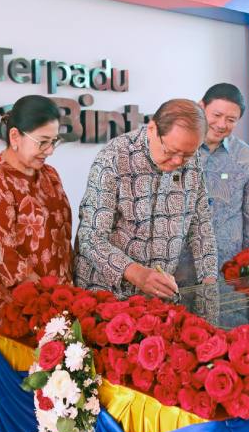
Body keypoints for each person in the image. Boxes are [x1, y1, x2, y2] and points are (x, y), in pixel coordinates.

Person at [0, 95, 73, 432]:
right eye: (42, 142)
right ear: (15, 136)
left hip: (57, 301)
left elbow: (62, 239)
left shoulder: (51, 176)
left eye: (53, 141)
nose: (49, 151)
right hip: (12, 308)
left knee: (59, 392)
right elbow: (4, 258)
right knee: (18, 393)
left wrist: (67, 299)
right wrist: (47, 305)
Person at [74, 99, 218, 300]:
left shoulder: (191, 162)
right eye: (171, 151)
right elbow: (90, 238)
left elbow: (201, 225)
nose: (178, 162)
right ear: (152, 129)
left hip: (159, 295)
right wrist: (137, 273)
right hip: (108, 294)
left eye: (186, 155)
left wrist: (210, 284)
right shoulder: (114, 157)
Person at [197, 83, 249, 269]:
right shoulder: (177, 148)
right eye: (216, 115)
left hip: (227, 265)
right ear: (201, 106)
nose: (221, 125)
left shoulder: (246, 156)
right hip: (178, 267)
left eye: (231, 119)